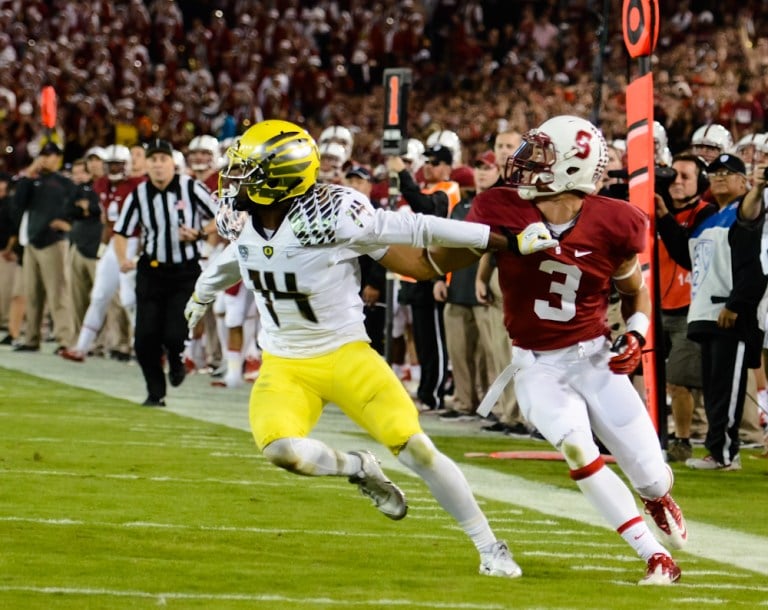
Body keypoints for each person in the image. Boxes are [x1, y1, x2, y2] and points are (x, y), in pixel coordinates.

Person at [184, 119, 521, 577]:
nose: (235, 180)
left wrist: (500, 241)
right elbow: (239, 256)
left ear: (279, 177)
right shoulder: (244, 219)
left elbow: (415, 228)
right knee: (283, 450)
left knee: (418, 449)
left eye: (247, 171)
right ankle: (359, 468)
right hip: (284, 365)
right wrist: (201, 294)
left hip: (346, 356)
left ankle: (489, 545)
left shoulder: (332, 214)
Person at [427, 115, 688, 584]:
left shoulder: (615, 220)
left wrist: (637, 334)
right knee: (575, 447)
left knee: (651, 473)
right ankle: (654, 555)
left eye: (542, 154)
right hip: (535, 365)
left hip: (594, 358)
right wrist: (503, 243)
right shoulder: (499, 205)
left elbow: (635, 292)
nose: (525, 161)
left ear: (572, 167)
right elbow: (449, 252)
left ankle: (656, 494)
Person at [658, 153, 767, 470]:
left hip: (728, 312)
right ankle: (716, 450)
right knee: (715, 386)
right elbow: (686, 255)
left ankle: (725, 454)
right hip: (705, 312)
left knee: (727, 389)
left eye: (727, 172)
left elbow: (754, 265)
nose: (719, 177)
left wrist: (735, 305)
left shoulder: (743, 210)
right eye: (715, 172)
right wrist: (665, 216)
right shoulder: (709, 219)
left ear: (743, 181)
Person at [113, 138, 217, 406]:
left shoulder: (191, 188)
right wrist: (123, 258)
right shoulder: (138, 194)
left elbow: (222, 216)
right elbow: (122, 231)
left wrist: (199, 233)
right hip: (152, 271)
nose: (158, 165)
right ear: (146, 165)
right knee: (144, 339)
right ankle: (155, 392)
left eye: (163, 159)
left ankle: (176, 357)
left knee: (174, 332)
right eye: (153, 160)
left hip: (185, 271)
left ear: (173, 163)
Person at [60, 144, 145, 362]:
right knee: (99, 295)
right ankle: (82, 347)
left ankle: (144, 348)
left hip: (134, 241)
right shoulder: (101, 184)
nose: (115, 168)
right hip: (114, 243)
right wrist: (103, 247)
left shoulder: (138, 184)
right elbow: (106, 221)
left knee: (129, 299)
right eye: (111, 164)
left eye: (118, 164)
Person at [655, 154, 714, 462]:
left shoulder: (708, 214)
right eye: (671, 175)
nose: (676, 181)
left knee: (679, 382)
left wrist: (664, 217)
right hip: (653, 304)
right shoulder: (651, 210)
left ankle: (682, 440)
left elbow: (687, 252)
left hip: (688, 307)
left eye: (685, 176)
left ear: (701, 183)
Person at [11, 141, 76, 353]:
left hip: (54, 243)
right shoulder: (32, 180)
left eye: (51, 155)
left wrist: (67, 225)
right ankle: (31, 338)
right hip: (32, 242)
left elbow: (76, 207)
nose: (47, 159)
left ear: (58, 158)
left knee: (58, 293)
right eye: (44, 155)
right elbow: (18, 202)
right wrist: (29, 173)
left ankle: (65, 340)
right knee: (33, 293)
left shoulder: (64, 183)